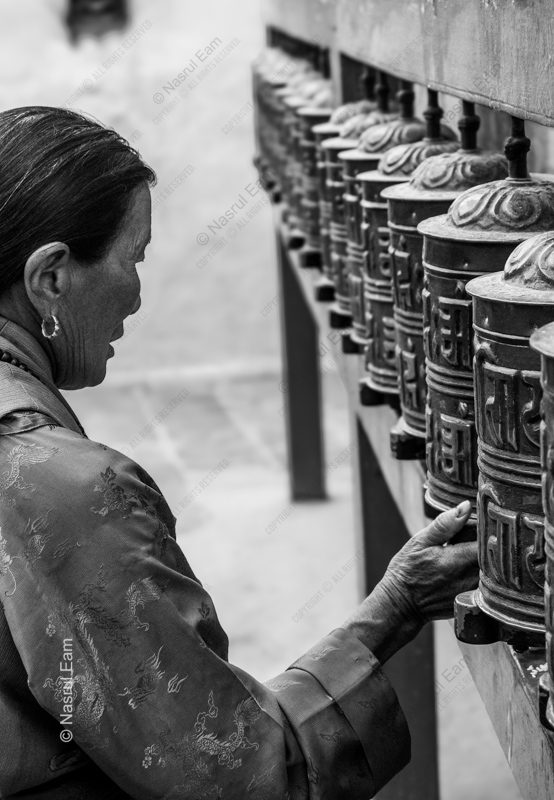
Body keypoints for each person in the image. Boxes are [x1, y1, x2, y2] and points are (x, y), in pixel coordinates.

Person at [0, 106, 478, 800]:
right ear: (50, 278)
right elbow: (243, 778)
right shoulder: (63, 491)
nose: (137, 297)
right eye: (134, 260)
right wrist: (393, 610)